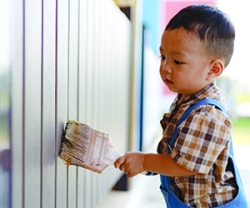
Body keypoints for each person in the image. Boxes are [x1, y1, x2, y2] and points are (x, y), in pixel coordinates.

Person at [114, 4, 248, 208]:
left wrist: (144, 161)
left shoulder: (207, 114)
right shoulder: (187, 100)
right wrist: (148, 165)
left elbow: (184, 164)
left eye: (177, 61)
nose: (165, 67)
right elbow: (173, 150)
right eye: (163, 56)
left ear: (213, 69)